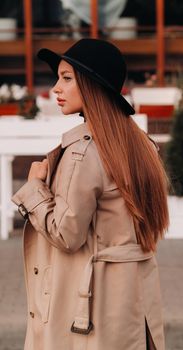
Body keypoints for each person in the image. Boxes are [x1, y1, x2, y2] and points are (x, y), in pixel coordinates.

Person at [12, 38, 169, 350]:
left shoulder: (83, 153)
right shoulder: (142, 147)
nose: (56, 88)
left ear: (93, 86)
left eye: (67, 78)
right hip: (135, 301)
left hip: (92, 306)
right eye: (58, 78)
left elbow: (67, 234)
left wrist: (33, 189)